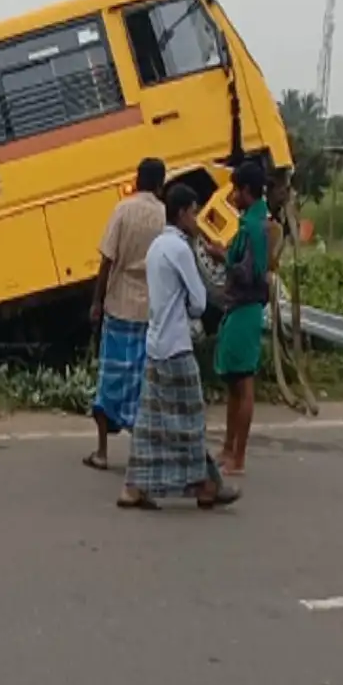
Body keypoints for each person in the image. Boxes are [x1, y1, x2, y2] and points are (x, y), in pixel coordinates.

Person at [119, 184, 239, 511]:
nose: (197, 217)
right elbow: (200, 302)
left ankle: (138, 486)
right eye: (194, 210)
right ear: (183, 213)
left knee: (152, 421)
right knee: (191, 417)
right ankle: (204, 485)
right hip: (177, 344)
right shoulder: (181, 248)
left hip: (155, 342)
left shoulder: (157, 246)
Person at [83, 158, 166, 471]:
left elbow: (107, 260)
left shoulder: (123, 210)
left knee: (110, 379)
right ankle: (138, 453)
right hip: (148, 310)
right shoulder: (163, 216)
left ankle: (102, 451)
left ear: (137, 179)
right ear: (160, 185)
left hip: (118, 306)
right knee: (140, 383)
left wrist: (96, 302)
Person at [208, 161, 270, 478]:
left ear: (247, 190)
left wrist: (221, 257)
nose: (234, 196)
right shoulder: (250, 223)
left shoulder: (255, 228)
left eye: (237, 190)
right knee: (233, 380)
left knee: (243, 381)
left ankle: (239, 456)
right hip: (239, 309)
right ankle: (229, 447)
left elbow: (249, 274)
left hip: (246, 308)